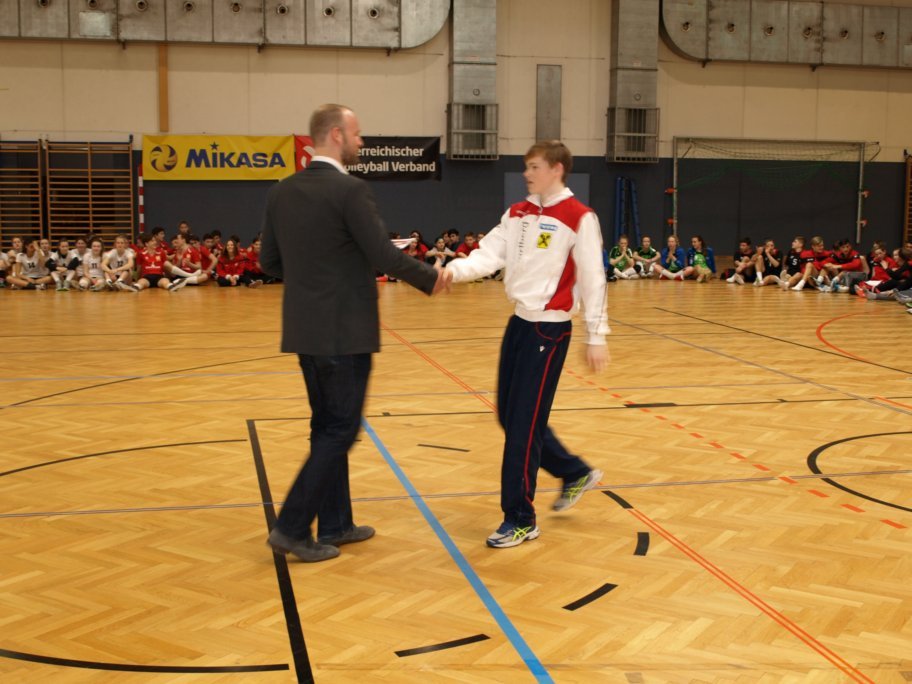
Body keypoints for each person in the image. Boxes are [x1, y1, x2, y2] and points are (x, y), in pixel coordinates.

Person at [259, 103, 447, 563]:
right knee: (340, 430)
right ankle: (291, 528)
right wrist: (431, 277)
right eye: (358, 134)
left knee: (325, 426)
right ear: (337, 135)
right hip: (344, 331)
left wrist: (315, 278)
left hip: (305, 329)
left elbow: (270, 263)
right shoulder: (351, 190)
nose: (362, 142)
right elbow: (383, 254)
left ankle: (336, 522)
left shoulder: (282, 191)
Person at [441, 140, 608, 549]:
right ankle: (573, 471)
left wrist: (596, 335)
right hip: (519, 324)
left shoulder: (580, 217)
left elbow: (593, 278)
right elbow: (488, 254)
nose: (527, 174)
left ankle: (520, 518)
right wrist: (452, 272)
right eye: (527, 167)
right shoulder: (518, 212)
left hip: (548, 331)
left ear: (556, 169)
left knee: (522, 428)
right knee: (510, 416)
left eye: (534, 167)